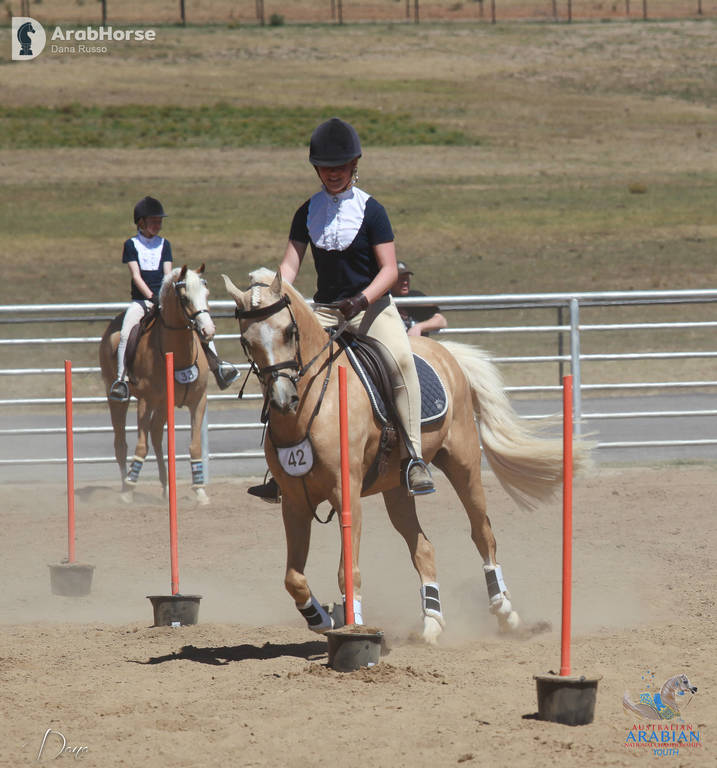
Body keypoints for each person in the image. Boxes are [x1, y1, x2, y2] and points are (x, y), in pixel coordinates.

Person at [248, 117, 434, 500]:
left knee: (400, 362)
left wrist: (361, 300)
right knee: (283, 366)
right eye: (326, 168)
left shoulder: (372, 211)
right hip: (325, 309)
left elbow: (388, 269)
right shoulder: (307, 212)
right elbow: (290, 265)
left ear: (354, 167)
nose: (333, 174)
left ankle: (414, 457)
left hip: (372, 309)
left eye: (341, 167)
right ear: (317, 168)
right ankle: (277, 467)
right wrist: (271, 287)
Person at [109, 196, 239, 402]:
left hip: (164, 299)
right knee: (125, 334)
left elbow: (168, 275)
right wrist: (152, 297)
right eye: (153, 221)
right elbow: (136, 276)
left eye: (159, 221)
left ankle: (218, 366)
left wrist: (164, 297)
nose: (158, 225)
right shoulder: (131, 245)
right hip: (142, 301)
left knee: (198, 322)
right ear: (141, 222)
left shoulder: (164, 244)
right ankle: (121, 380)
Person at [390, 261, 448, 337]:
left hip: (419, 345)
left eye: (407, 278)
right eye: (401, 279)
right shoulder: (383, 299)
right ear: (391, 280)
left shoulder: (416, 297)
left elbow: (441, 321)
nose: (405, 282)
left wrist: (419, 327)